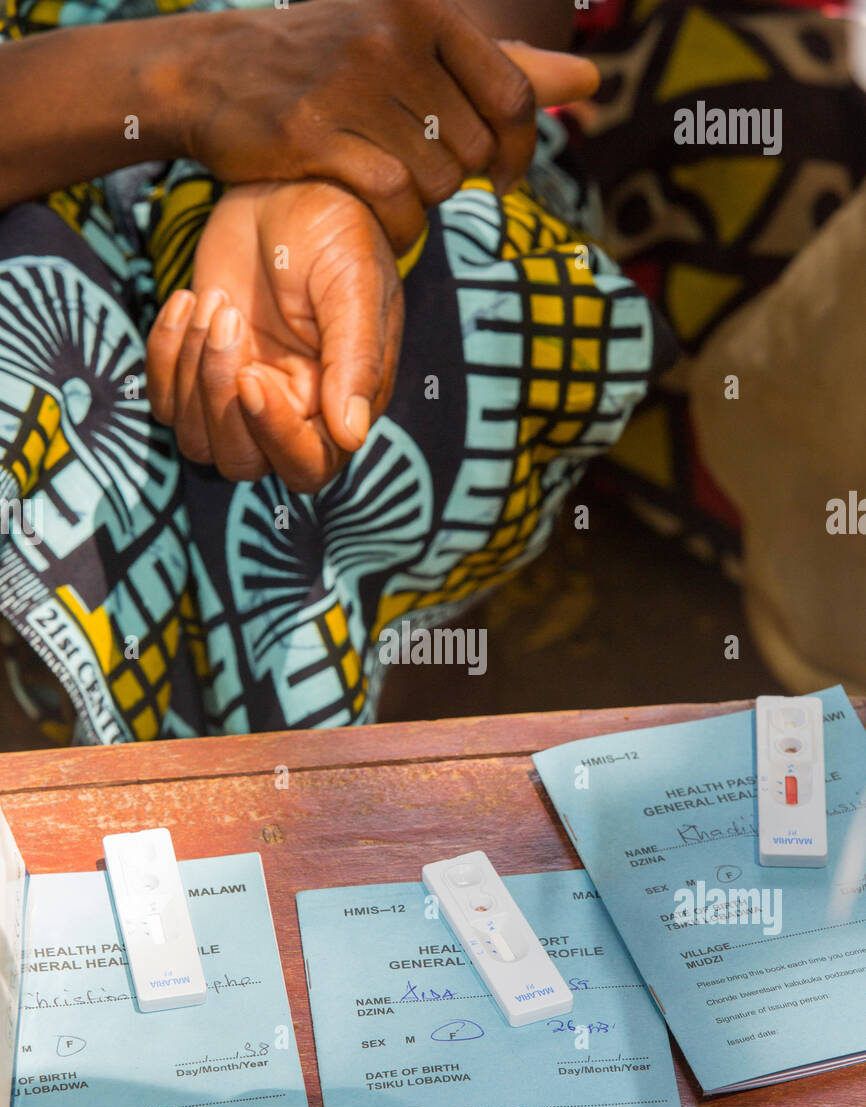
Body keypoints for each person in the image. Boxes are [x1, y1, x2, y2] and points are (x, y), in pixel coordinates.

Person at [0, 0, 674, 741]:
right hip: (45, 105)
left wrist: (355, 151)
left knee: (450, 303)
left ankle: (382, 764)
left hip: (324, 58)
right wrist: (206, 77)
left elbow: (483, 46)